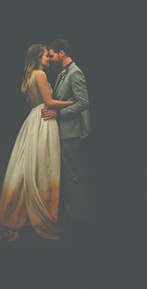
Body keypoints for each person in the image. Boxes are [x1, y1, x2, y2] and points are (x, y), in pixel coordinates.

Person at [0, 44, 75, 242]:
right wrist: (71, 103)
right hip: (44, 120)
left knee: (29, 164)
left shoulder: (30, 76)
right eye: (46, 55)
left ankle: (21, 213)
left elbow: (32, 101)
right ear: (38, 58)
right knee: (45, 166)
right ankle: (41, 213)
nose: (49, 58)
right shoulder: (40, 74)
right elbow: (49, 102)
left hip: (33, 119)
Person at [42, 39, 91, 236]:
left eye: (52, 55)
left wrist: (59, 114)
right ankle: (66, 214)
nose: (50, 59)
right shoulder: (64, 73)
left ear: (62, 53)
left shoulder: (75, 73)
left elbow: (83, 102)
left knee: (70, 176)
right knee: (64, 175)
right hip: (62, 132)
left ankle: (75, 219)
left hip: (70, 132)